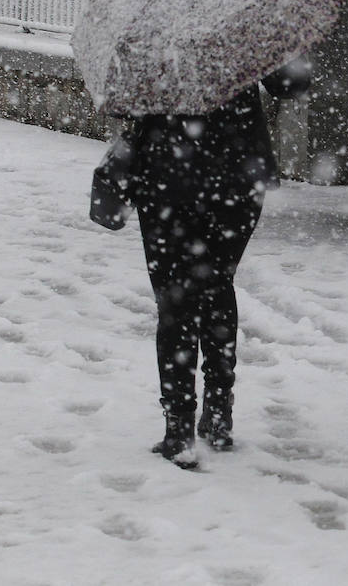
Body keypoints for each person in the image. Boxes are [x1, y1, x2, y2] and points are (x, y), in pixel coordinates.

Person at [90, 57, 311, 470]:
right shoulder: (246, 23)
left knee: (176, 298)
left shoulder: (152, 23)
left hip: (167, 177)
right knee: (216, 284)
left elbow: (117, 101)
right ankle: (217, 412)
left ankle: (178, 427)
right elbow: (290, 85)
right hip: (237, 177)